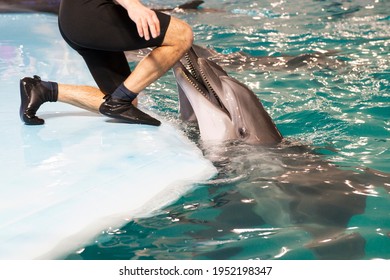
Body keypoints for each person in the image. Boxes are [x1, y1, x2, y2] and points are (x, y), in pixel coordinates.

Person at [19, 0, 193, 126]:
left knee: (127, 101)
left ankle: (43, 90)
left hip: (75, 19)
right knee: (181, 35)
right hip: (90, 12)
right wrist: (132, 5)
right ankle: (120, 101)